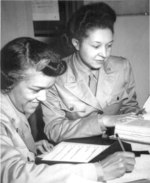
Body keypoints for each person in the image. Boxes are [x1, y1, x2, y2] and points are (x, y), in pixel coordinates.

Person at [0, 37, 135, 183]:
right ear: (9, 80)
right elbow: (14, 175)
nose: (43, 98)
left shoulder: (12, 105)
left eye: (46, 89)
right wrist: (98, 170)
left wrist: (27, 149)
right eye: (36, 90)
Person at [41, 2, 141, 143]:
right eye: (96, 46)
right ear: (76, 43)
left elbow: (129, 108)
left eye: (109, 45)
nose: (104, 54)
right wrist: (102, 121)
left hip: (117, 144)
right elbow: (54, 129)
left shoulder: (122, 67)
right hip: (76, 152)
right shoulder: (55, 76)